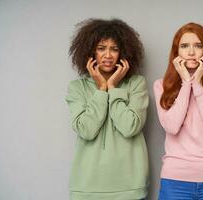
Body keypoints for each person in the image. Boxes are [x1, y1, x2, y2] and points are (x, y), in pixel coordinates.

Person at [65, 18, 149, 200]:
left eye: (115, 49)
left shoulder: (137, 84)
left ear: (124, 53)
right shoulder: (77, 88)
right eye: (101, 48)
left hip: (130, 186)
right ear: (90, 52)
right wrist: (102, 90)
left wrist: (113, 88)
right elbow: (86, 130)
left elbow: (130, 127)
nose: (108, 55)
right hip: (87, 186)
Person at [154, 22, 203, 200]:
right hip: (175, 180)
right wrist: (186, 84)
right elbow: (172, 127)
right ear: (177, 52)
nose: (191, 52)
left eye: (198, 46)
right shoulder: (161, 85)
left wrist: (197, 84)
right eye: (184, 46)